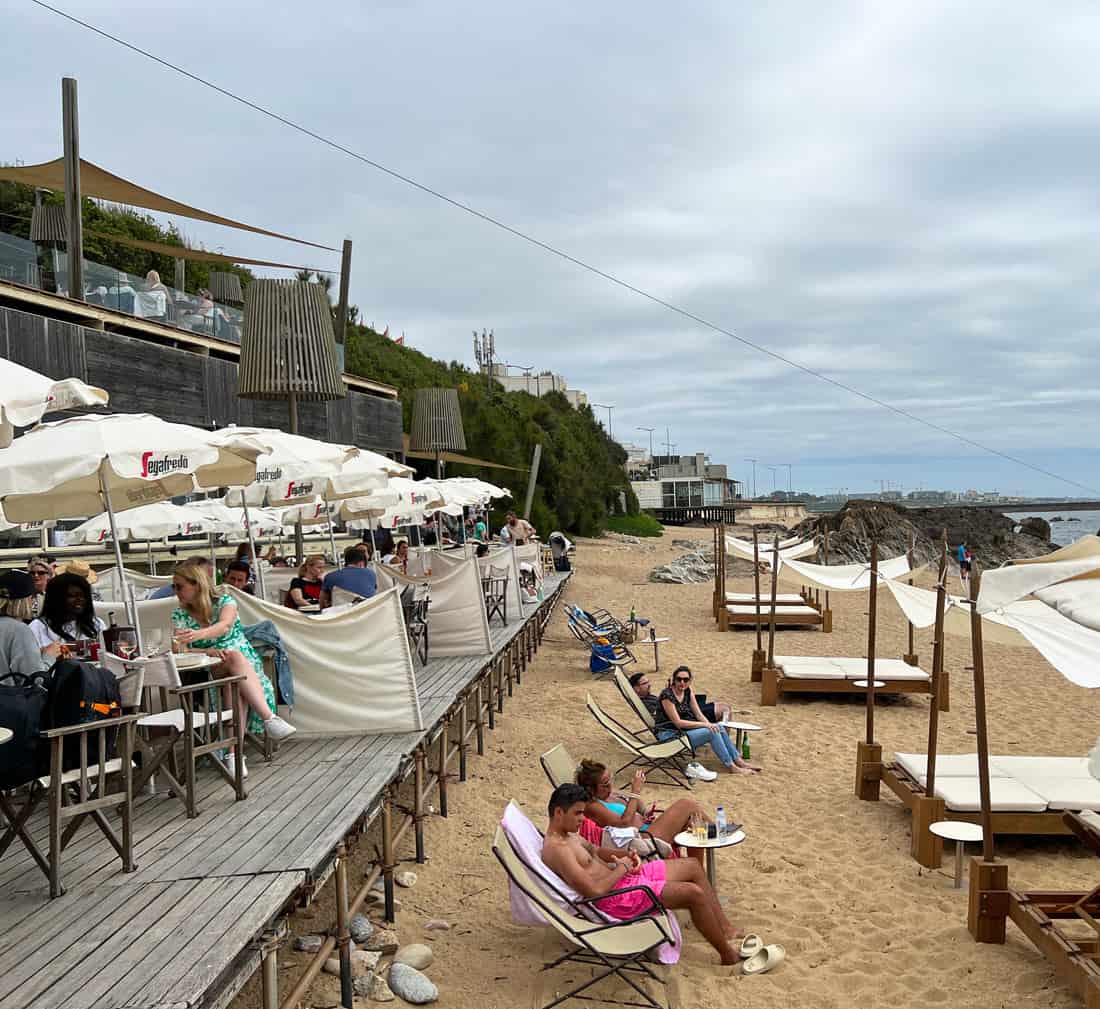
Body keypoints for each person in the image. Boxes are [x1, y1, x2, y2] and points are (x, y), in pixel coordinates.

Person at [541, 783, 743, 965]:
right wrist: (623, 868)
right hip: (616, 898)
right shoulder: (558, 850)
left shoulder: (568, 836)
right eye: (578, 813)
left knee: (691, 866)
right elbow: (595, 891)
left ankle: (724, 927)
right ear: (559, 812)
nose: (582, 819)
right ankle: (727, 955)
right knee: (693, 894)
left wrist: (627, 855)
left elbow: (595, 851)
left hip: (623, 878)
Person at [171, 560, 295, 778]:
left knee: (234, 681)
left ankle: (233, 755)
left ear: (197, 585)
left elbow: (224, 626)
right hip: (211, 669)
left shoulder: (226, 601)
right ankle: (269, 719)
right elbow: (179, 649)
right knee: (233, 659)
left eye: (179, 586)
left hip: (245, 670)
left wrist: (197, 636)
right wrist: (208, 652)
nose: (176, 591)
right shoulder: (180, 614)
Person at [575, 759, 716, 865]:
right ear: (590, 789)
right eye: (605, 784)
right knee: (686, 804)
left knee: (693, 824)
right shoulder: (592, 805)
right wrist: (635, 791)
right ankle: (718, 831)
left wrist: (644, 811)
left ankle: (697, 869)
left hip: (649, 829)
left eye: (610, 780)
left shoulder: (610, 794)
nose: (610, 786)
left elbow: (634, 803)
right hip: (641, 841)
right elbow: (624, 823)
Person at [655, 666, 760, 775]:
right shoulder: (667, 695)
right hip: (669, 735)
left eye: (685, 680)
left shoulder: (687, 691)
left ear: (690, 681)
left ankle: (739, 761)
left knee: (718, 726)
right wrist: (706, 726)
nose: (682, 682)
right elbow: (678, 722)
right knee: (711, 732)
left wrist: (710, 724)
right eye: (679, 679)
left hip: (682, 732)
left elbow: (698, 714)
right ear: (674, 680)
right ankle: (732, 766)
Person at [30, 572, 106, 656]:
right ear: (56, 598)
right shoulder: (37, 627)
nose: (80, 599)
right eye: (72, 595)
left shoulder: (96, 624)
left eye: (83, 596)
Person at [630, 669, 733, 725]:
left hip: (684, 709)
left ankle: (722, 738)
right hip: (685, 715)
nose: (649, 685)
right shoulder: (644, 703)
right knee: (724, 709)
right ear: (636, 688)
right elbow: (659, 714)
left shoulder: (647, 696)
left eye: (648, 682)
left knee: (724, 707)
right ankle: (722, 738)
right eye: (645, 683)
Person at [0, 570, 49, 678]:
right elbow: (35, 679)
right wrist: (49, 657)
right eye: (32, 598)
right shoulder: (18, 629)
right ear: (25, 600)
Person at [25, 555, 52, 619]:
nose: (36, 575)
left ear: (48, 575)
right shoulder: (24, 595)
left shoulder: (53, 595)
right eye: (32, 573)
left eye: (41, 573)